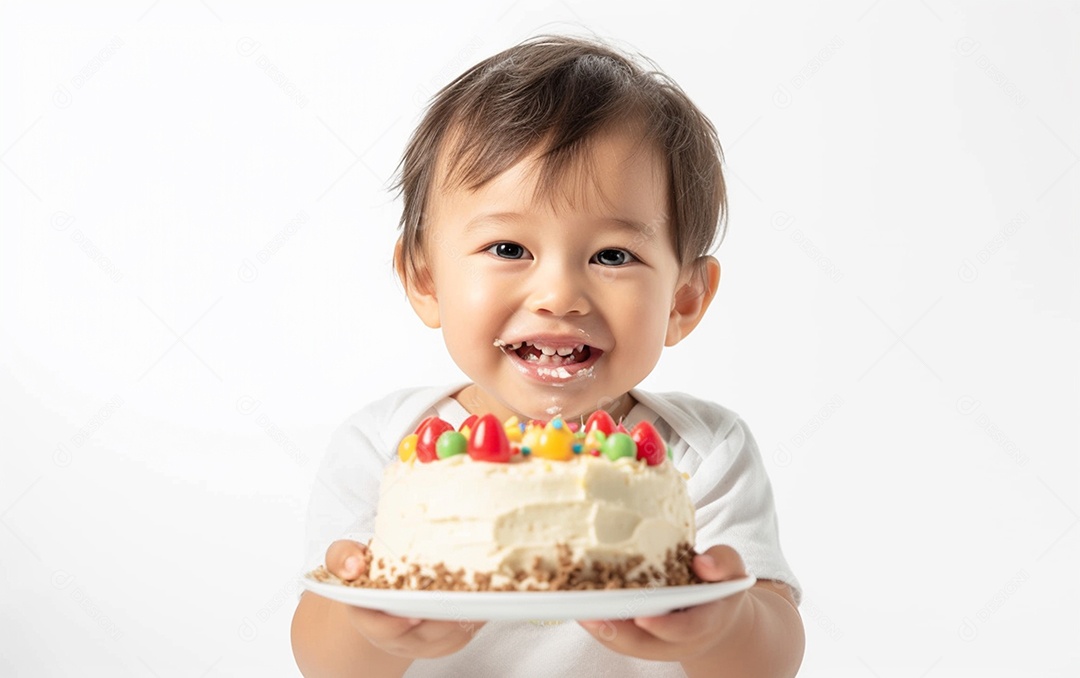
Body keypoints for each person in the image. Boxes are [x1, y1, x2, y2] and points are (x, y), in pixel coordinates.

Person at [291, 34, 804, 677]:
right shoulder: (388, 445)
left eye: (613, 256)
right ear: (425, 280)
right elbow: (322, 659)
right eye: (508, 249)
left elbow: (771, 656)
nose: (560, 296)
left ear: (683, 300)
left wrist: (724, 628)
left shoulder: (702, 452)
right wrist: (375, 634)